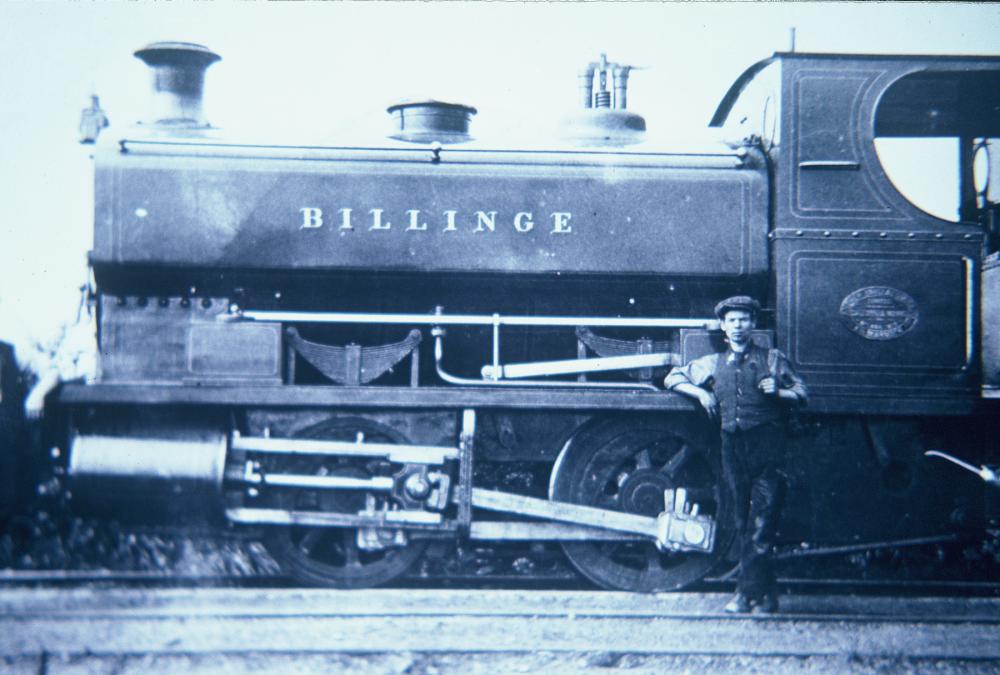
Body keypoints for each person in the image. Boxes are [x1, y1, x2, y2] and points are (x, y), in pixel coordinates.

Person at [664, 296, 807, 614]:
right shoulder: (712, 363)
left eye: (744, 320)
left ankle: (744, 596)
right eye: (732, 321)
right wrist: (700, 392)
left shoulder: (772, 359)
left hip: (766, 445)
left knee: (762, 522)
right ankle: (767, 598)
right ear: (723, 328)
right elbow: (673, 377)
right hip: (733, 446)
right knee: (743, 521)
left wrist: (779, 392)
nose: (738, 326)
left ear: (753, 325)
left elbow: (802, 392)